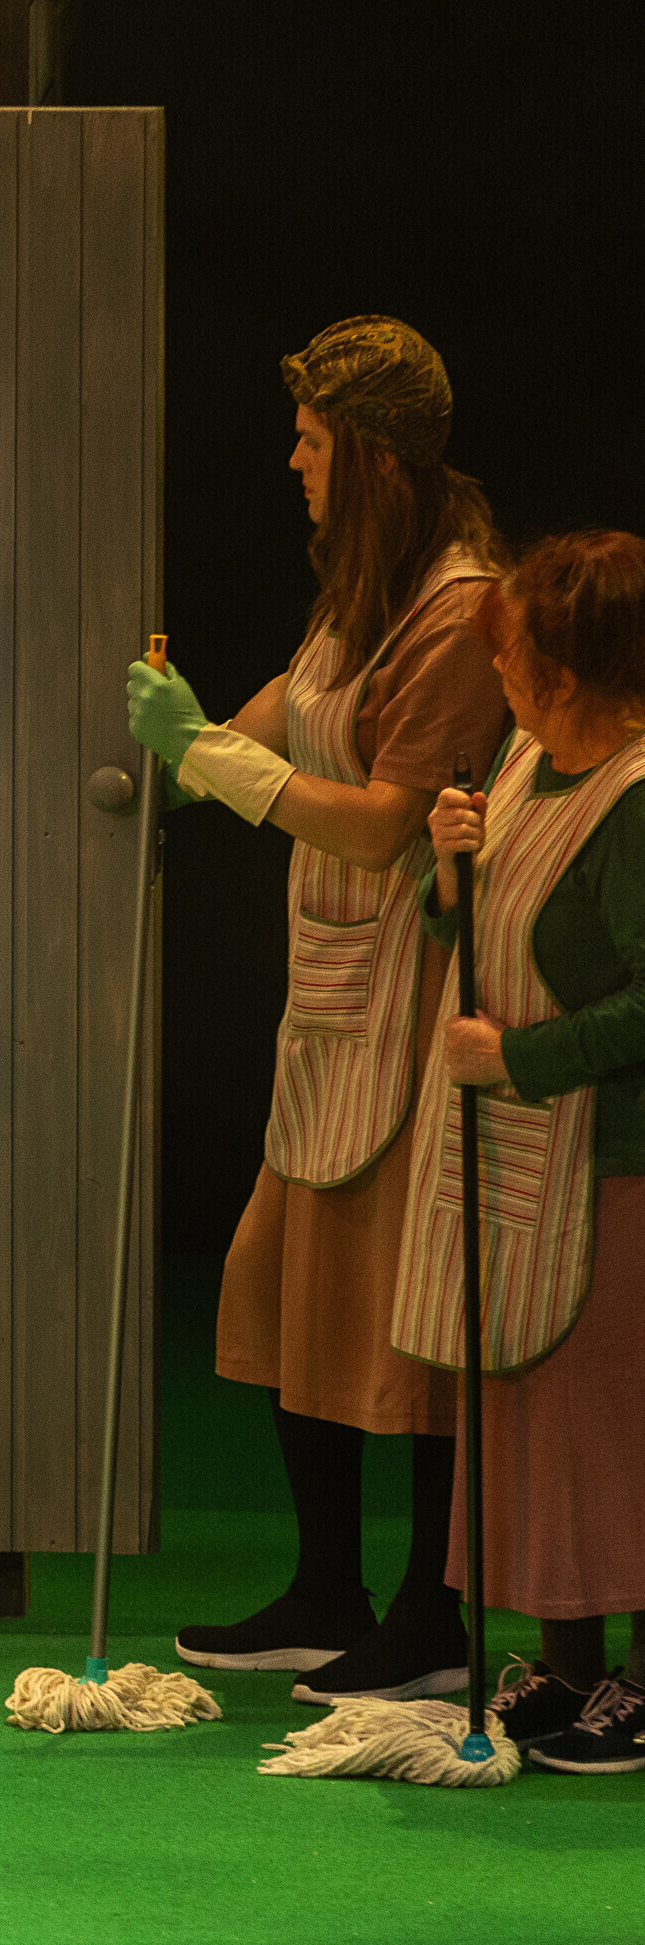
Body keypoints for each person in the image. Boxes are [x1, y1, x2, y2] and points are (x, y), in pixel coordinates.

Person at [126, 316, 509, 1700]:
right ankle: (327, 1586)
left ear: (377, 456)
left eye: (310, 439)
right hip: (335, 1000)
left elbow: (386, 819)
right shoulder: (359, 585)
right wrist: (186, 752)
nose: (291, 460)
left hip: (418, 994)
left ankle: (431, 1613)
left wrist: (215, 762)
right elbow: (292, 705)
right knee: (287, 1280)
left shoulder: (459, 609)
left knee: (412, 1308)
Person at [407, 530, 645, 1771]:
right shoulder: (521, 762)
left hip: (617, 1167)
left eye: (515, 654)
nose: (497, 672)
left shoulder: (638, 799)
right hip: (520, 1161)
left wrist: (519, 1058)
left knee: (615, 1423)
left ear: (571, 665)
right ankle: (567, 1661)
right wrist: (449, 867)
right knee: (537, 1415)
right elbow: (477, 924)